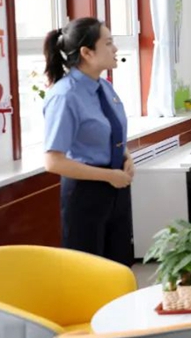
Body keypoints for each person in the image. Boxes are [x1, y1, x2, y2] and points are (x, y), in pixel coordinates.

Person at [42, 18, 134, 267]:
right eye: (108, 43)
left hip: (117, 186)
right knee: (89, 269)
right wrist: (108, 176)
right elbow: (53, 162)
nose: (115, 49)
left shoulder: (104, 87)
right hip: (86, 192)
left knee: (120, 265)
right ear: (87, 52)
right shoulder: (65, 96)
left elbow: (111, 132)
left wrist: (127, 157)